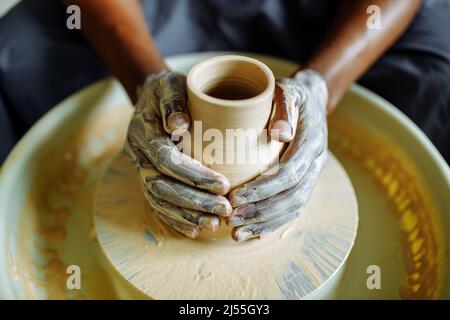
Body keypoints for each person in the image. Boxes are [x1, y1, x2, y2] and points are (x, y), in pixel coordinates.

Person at [0, 0, 449, 240]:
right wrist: (145, 81)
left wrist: (322, 84)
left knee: (440, 81)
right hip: (160, 11)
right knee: (15, 49)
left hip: (321, 13)